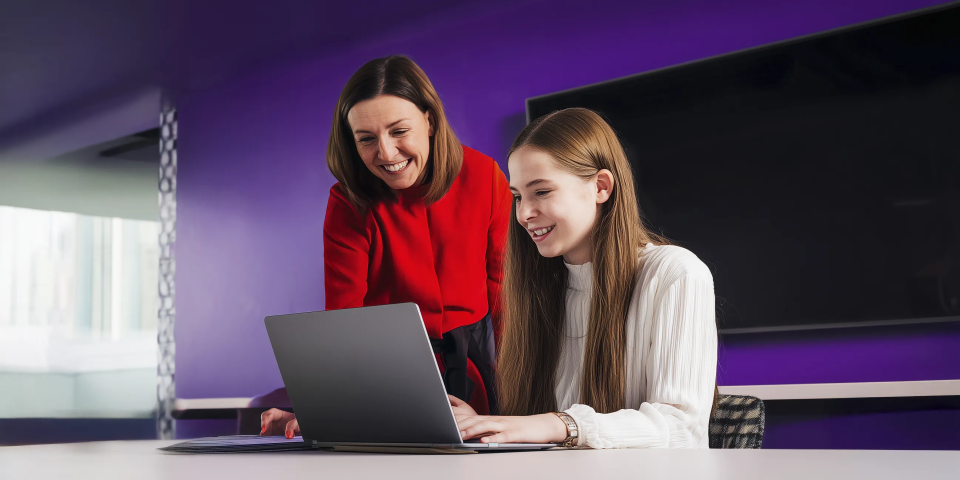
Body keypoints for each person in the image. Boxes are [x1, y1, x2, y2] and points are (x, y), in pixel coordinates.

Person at [260, 55, 511, 438]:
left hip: (479, 367)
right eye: (366, 139)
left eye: (398, 131)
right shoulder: (348, 201)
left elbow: (505, 292)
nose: (386, 153)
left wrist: (518, 393)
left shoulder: (485, 176)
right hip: (387, 373)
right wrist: (322, 409)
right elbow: (344, 318)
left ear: (429, 120)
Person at [450, 108, 718, 448]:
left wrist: (561, 424)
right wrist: (487, 426)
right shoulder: (539, 288)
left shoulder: (676, 273)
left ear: (601, 187)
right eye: (518, 196)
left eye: (542, 192)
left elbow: (682, 428)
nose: (523, 214)